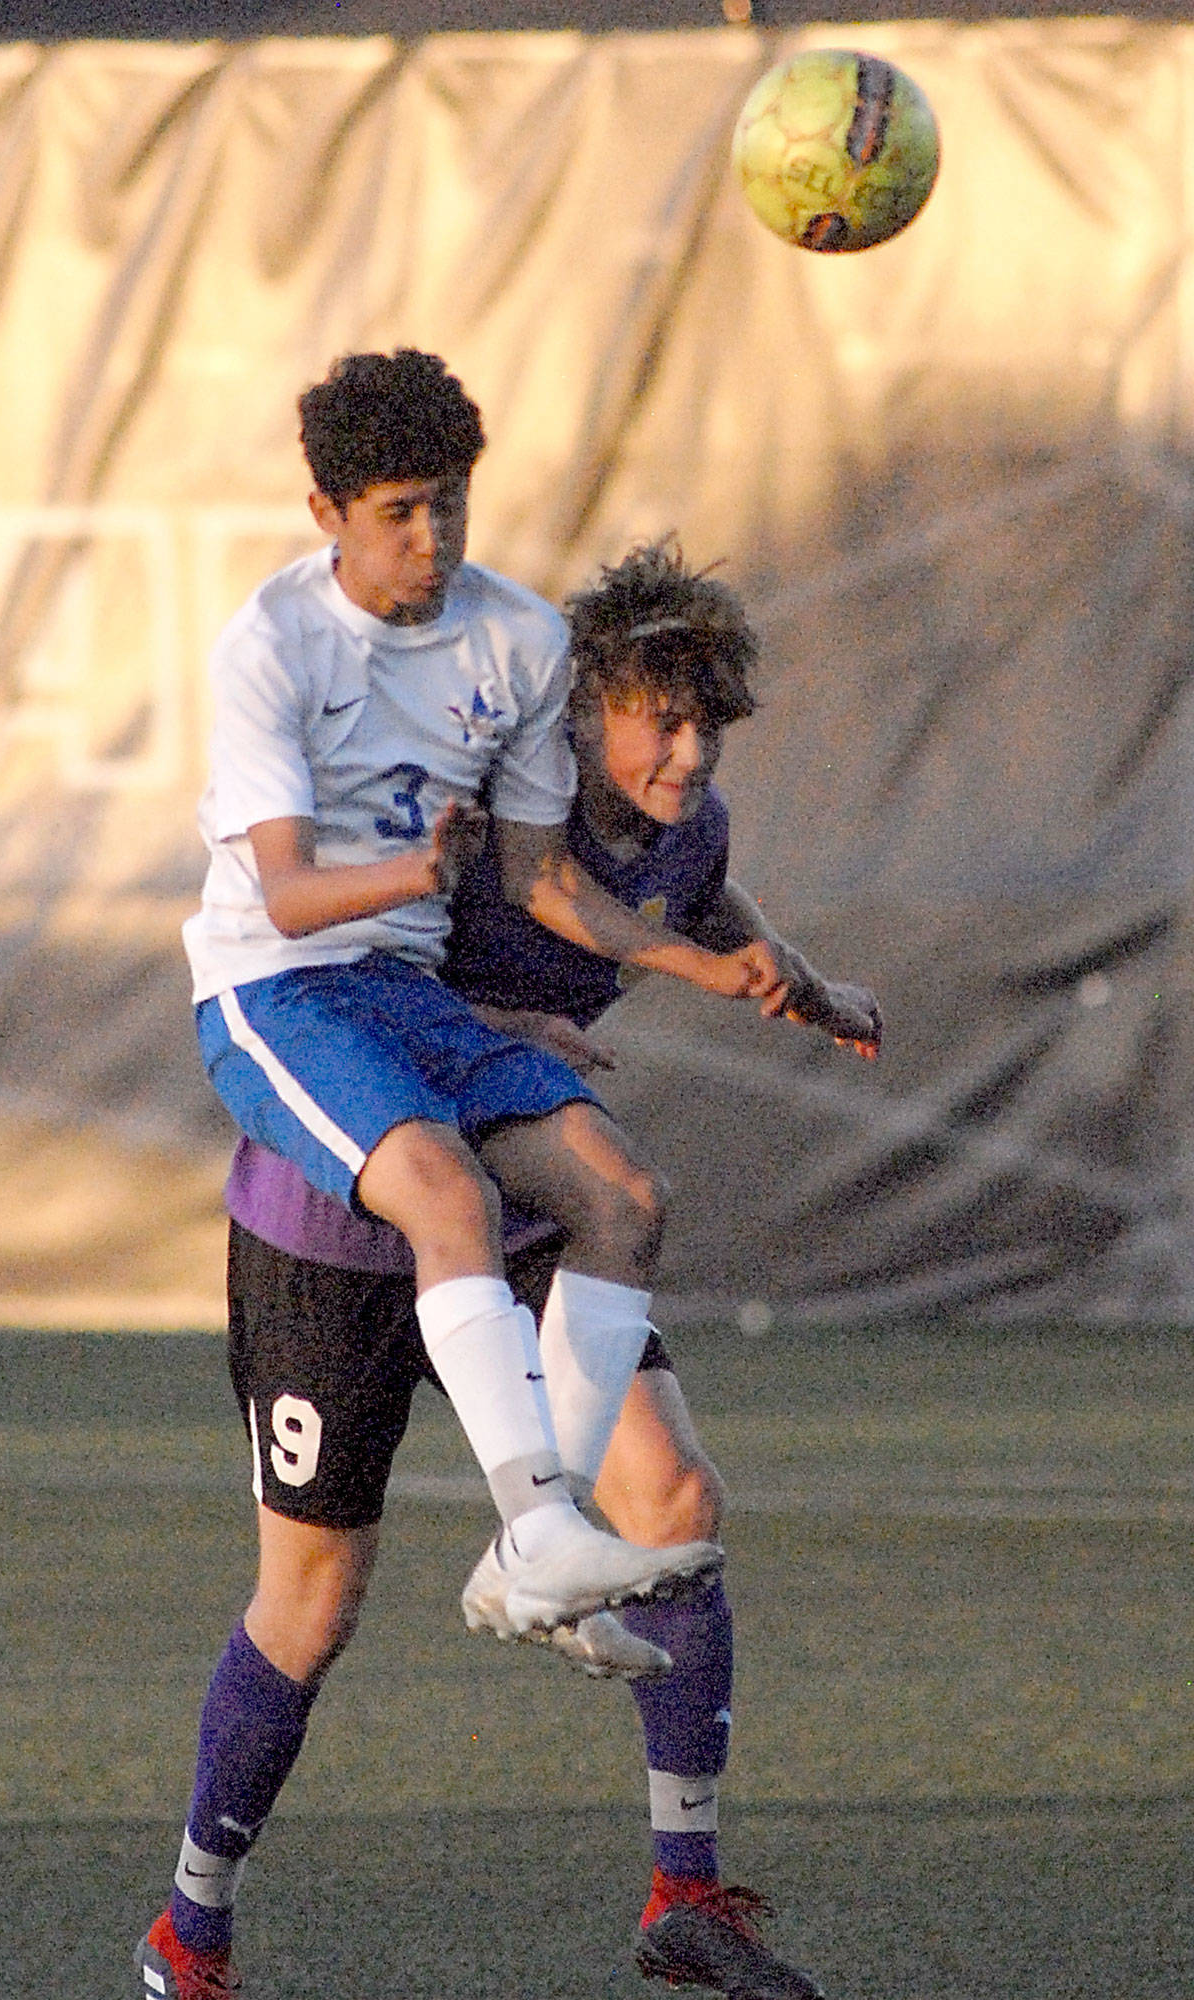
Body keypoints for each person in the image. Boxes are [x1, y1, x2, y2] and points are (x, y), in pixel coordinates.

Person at [136, 536, 881, 2000]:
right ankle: (190, 1928)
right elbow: (372, 977)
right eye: (659, 718)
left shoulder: (686, 821)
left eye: (708, 723)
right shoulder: (492, 814)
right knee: (310, 1605)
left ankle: (685, 1894)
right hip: (338, 1219)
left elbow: (702, 895)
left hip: (519, 1204)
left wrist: (802, 979)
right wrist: (499, 1031)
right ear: (582, 705)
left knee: (671, 1494)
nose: (687, 751)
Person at [178, 346, 801, 1663]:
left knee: (626, 1198)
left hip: (404, 996)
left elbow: (544, 881)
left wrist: (710, 965)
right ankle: (533, 1527)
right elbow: (284, 900)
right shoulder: (270, 645)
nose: (434, 535)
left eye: (451, 501)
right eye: (401, 509)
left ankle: (545, 1546)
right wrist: (411, 874)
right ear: (329, 516)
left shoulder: (516, 638)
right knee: (445, 1194)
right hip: (279, 986)